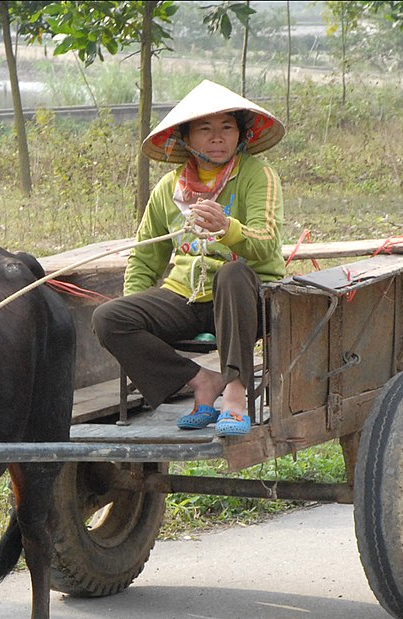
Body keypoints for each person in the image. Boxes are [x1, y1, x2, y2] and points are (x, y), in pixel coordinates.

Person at [92, 79, 286, 437]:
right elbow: (145, 257)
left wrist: (227, 227)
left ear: (240, 135)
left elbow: (266, 243)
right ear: (186, 139)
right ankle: (201, 382)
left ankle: (235, 393)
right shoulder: (170, 187)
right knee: (110, 318)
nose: (217, 137)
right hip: (187, 295)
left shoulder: (258, 175)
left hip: (248, 300)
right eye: (205, 129)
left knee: (231, 274)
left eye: (227, 127)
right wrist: (138, 301)